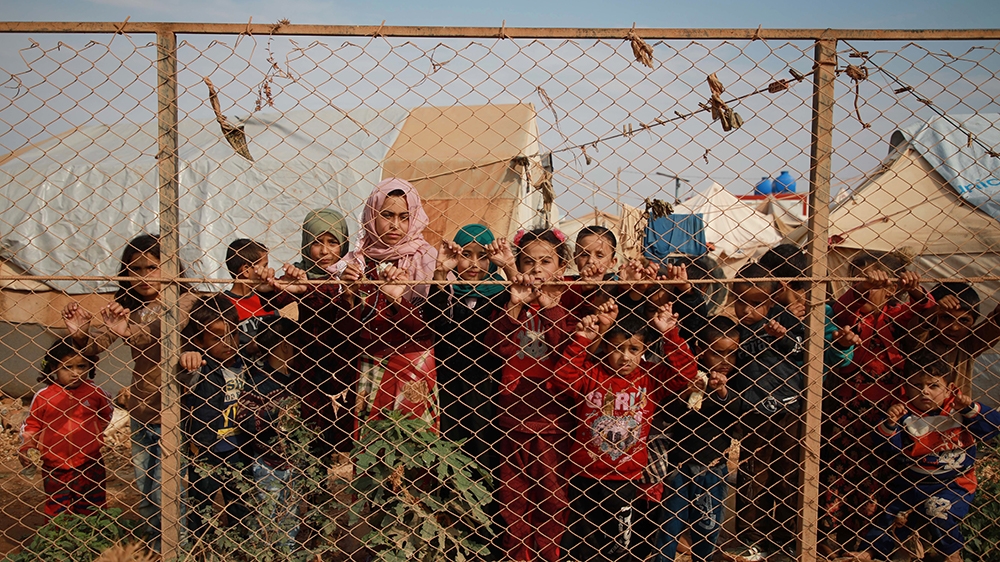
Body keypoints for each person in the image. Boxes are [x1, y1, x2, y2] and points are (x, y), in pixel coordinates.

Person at [62, 233, 198, 546]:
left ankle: (183, 546)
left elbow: (160, 330)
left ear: (172, 269)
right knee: (146, 487)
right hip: (143, 409)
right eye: (135, 269)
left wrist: (125, 331)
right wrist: (82, 334)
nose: (143, 276)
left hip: (179, 409)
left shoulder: (185, 300)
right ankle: (156, 544)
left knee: (175, 488)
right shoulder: (128, 308)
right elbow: (98, 344)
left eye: (152, 267)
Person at [555, 302, 697, 562]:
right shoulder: (592, 374)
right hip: (585, 475)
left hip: (625, 477)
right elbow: (562, 377)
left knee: (619, 542)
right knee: (583, 540)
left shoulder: (650, 377)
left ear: (643, 351)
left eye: (634, 349)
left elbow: (685, 374)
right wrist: (583, 340)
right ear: (607, 348)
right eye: (618, 348)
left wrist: (670, 335)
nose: (625, 357)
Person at [825, 252, 936, 549]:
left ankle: (878, 539)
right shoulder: (850, 313)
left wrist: (913, 289)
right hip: (851, 407)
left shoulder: (897, 314)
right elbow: (841, 310)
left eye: (875, 282)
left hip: (892, 408)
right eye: (860, 280)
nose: (868, 286)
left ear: (890, 286)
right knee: (845, 468)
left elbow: (926, 314)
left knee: (886, 471)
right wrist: (860, 290)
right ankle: (838, 534)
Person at [851, 351, 1000, 562]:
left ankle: (951, 554)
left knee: (938, 511)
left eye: (933, 386)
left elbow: (993, 426)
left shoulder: (958, 409)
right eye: (917, 385)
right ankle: (870, 552)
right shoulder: (904, 412)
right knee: (889, 516)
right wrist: (891, 423)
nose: (924, 392)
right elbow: (886, 447)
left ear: (948, 388)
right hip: (913, 482)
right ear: (906, 386)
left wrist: (970, 409)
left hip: (954, 482)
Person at [486, 227, 575, 562]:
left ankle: (549, 556)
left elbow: (568, 349)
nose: (537, 269)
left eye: (545, 261)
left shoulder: (569, 302)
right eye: (528, 262)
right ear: (518, 266)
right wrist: (514, 305)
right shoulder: (512, 301)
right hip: (513, 419)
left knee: (553, 501)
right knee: (513, 501)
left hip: (555, 422)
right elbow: (496, 346)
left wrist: (549, 307)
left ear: (561, 267)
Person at [331, 178, 440, 430]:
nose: (395, 225)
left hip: (415, 362)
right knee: (372, 445)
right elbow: (342, 331)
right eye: (387, 215)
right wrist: (348, 296)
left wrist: (398, 299)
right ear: (371, 214)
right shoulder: (355, 261)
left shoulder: (427, 260)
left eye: (404, 216)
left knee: (415, 444)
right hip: (368, 361)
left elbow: (436, 322)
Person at [261, 209, 358, 455]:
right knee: (311, 432)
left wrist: (335, 291)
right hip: (308, 366)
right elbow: (271, 302)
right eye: (316, 242)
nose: (324, 251)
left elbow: (358, 310)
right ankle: (313, 486)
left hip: (346, 365)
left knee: (346, 432)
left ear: (344, 243)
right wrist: (270, 286)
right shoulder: (299, 273)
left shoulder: (353, 274)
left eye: (332, 242)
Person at [727, 261, 806, 560]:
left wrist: (782, 336)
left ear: (772, 301)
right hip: (755, 412)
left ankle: (785, 536)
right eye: (740, 302)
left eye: (756, 303)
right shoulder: (739, 331)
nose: (747, 310)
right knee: (753, 473)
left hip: (790, 410)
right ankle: (750, 537)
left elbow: (801, 349)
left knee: (788, 475)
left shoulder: (787, 321)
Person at [654, 316, 741, 562]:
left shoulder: (734, 381)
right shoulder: (689, 377)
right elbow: (668, 412)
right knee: (669, 528)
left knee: (708, 528)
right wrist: (686, 393)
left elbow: (736, 412)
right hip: (679, 467)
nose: (725, 361)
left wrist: (722, 391)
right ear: (701, 351)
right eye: (718, 353)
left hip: (713, 469)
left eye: (732, 354)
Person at [425, 224, 509, 468]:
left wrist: (507, 266)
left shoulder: (501, 295)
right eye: (466, 255)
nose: (474, 264)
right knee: (451, 450)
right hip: (449, 385)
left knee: (485, 450)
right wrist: (440, 273)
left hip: (488, 386)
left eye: (483, 256)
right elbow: (434, 320)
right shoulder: (450, 293)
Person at [179, 294, 250, 539]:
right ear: (200, 341)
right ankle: (201, 546)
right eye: (216, 337)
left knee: (241, 503)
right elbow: (184, 380)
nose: (227, 342)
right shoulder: (200, 367)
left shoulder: (245, 364)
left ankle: (243, 546)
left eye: (233, 334)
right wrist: (189, 358)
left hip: (239, 448)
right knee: (202, 504)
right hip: (205, 449)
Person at [19, 339, 113, 520]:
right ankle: (59, 542)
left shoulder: (96, 393)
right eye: (67, 367)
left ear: (90, 366)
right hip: (55, 465)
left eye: (81, 366)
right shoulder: (44, 396)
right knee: (57, 509)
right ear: (54, 368)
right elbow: (31, 424)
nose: (75, 373)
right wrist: (26, 447)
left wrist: (91, 436)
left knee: (93, 506)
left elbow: (106, 415)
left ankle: (93, 541)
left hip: (90, 462)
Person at [240, 316, 301, 551]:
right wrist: (276, 416)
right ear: (285, 345)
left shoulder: (297, 381)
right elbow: (245, 419)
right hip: (266, 463)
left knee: (290, 516)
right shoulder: (258, 383)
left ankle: (287, 551)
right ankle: (264, 552)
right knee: (266, 516)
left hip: (292, 463)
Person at [223, 238, 276, 360]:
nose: (268, 271)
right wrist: (248, 349)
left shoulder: (268, 299)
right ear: (246, 270)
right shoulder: (223, 304)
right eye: (264, 266)